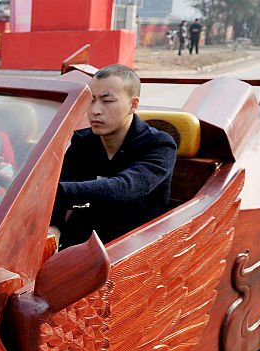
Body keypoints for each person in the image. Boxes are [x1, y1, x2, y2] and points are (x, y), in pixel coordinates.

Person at [52, 64, 177, 247]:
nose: (95, 110)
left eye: (107, 101)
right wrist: (54, 226)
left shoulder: (159, 145)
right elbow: (63, 183)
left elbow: (125, 187)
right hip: (83, 241)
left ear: (133, 105)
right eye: (91, 100)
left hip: (136, 244)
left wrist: (55, 190)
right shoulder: (84, 141)